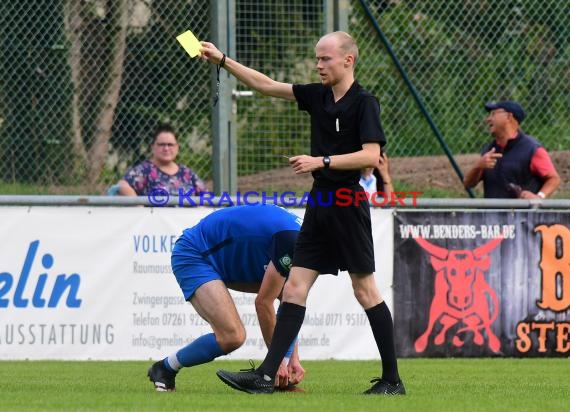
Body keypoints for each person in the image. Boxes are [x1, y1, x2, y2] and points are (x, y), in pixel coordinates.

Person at [200, 31, 405, 395]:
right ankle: (266, 375)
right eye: (317, 58)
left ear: (348, 60)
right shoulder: (317, 95)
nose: (318, 64)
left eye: (325, 58)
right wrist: (222, 60)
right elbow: (265, 85)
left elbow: (372, 156)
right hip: (320, 203)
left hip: (347, 203)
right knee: (294, 287)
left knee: (365, 290)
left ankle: (392, 380)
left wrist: (321, 160)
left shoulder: (364, 103)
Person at [147, 204, 305, 392]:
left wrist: (292, 358)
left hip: (225, 258)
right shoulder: (293, 241)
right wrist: (278, 362)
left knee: (288, 293)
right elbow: (263, 303)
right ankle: (164, 368)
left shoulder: (304, 239)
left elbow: (289, 303)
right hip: (195, 254)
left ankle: (276, 377)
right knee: (232, 336)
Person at [463, 100, 560, 198]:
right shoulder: (489, 150)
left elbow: (554, 179)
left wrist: (539, 197)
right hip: (492, 213)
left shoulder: (531, 149)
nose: (488, 119)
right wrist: (478, 166)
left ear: (508, 117)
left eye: (493, 114)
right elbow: (468, 184)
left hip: (521, 213)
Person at [117, 123, 206, 196]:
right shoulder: (144, 171)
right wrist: (140, 208)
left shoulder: (187, 173)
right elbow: (122, 185)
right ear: (153, 147)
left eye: (170, 144)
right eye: (161, 144)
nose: (166, 148)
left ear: (177, 148)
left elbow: (206, 195)